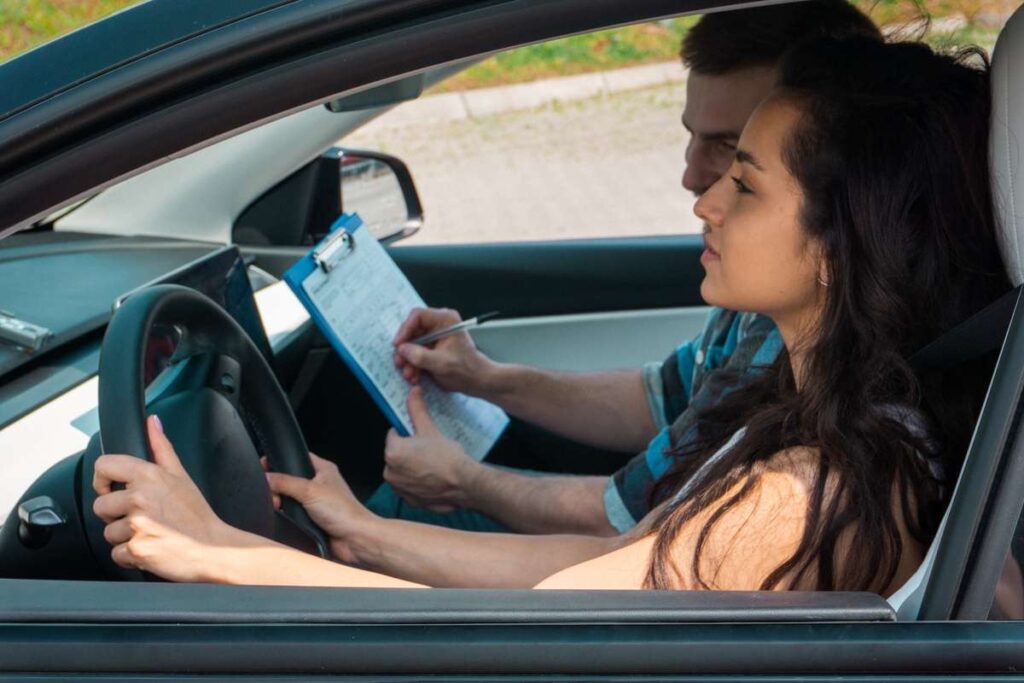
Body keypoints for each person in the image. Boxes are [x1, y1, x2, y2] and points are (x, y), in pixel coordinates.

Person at [93, 35, 1009, 592]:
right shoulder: (809, 411)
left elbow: (551, 614)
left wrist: (213, 551)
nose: (704, 201)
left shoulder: (815, 490)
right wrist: (359, 528)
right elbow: (590, 571)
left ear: (836, 243)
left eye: (744, 181)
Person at [367, 0, 882, 537]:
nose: (691, 180)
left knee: (387, 516)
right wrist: (484, 379)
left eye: (732, 150)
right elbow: (665, 399)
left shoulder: (805, 341)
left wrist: (458, 486)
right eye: (691, 135)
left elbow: (629, 528)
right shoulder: (767, 307)